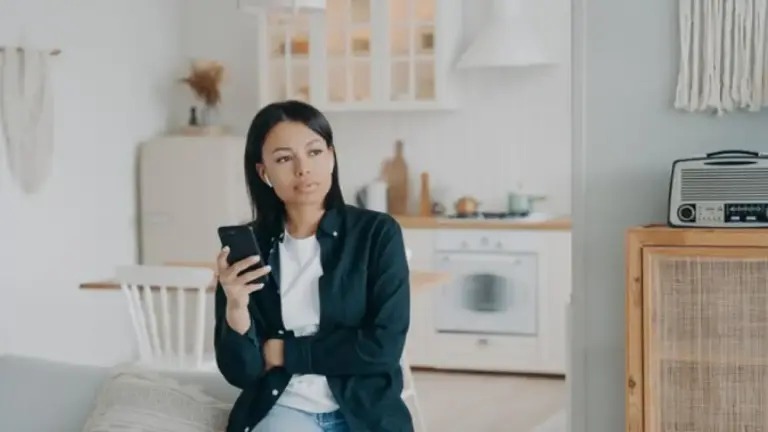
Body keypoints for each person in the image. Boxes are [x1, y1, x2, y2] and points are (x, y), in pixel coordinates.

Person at [213, 100, 413, 432]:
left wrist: (283, 353)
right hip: (285, 411)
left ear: (331, 157)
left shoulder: (377, 233)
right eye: (284, 158)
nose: (303, 168)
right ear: (263, 172)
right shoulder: (250, 248)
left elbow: (383, 348)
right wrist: (236, 308)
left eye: (314, 152)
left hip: (369, 415)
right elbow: (242, 373)